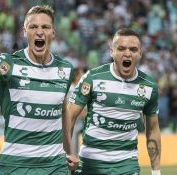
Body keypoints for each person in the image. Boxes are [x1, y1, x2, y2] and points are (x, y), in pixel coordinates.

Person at [0, 5, 78, 175]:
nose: (39, 32)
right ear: (24, 31)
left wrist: (68, 152)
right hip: (16, 165)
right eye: (33, 27)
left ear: (53, 32)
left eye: (45, 27)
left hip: (55, 165)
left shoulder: (65, 69)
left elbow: (63, 110)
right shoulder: (8, 64)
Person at [68, 28, 161, 175]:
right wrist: (66, 153)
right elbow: (70, 116)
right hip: (91, 163)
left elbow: (153, 130)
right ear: (112, 51)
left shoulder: (149, 86)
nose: (127, 53)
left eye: (133, 49)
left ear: (140, 53)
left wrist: (156, 172)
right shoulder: (92, 78)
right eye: (121, 48)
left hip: (127, 165)